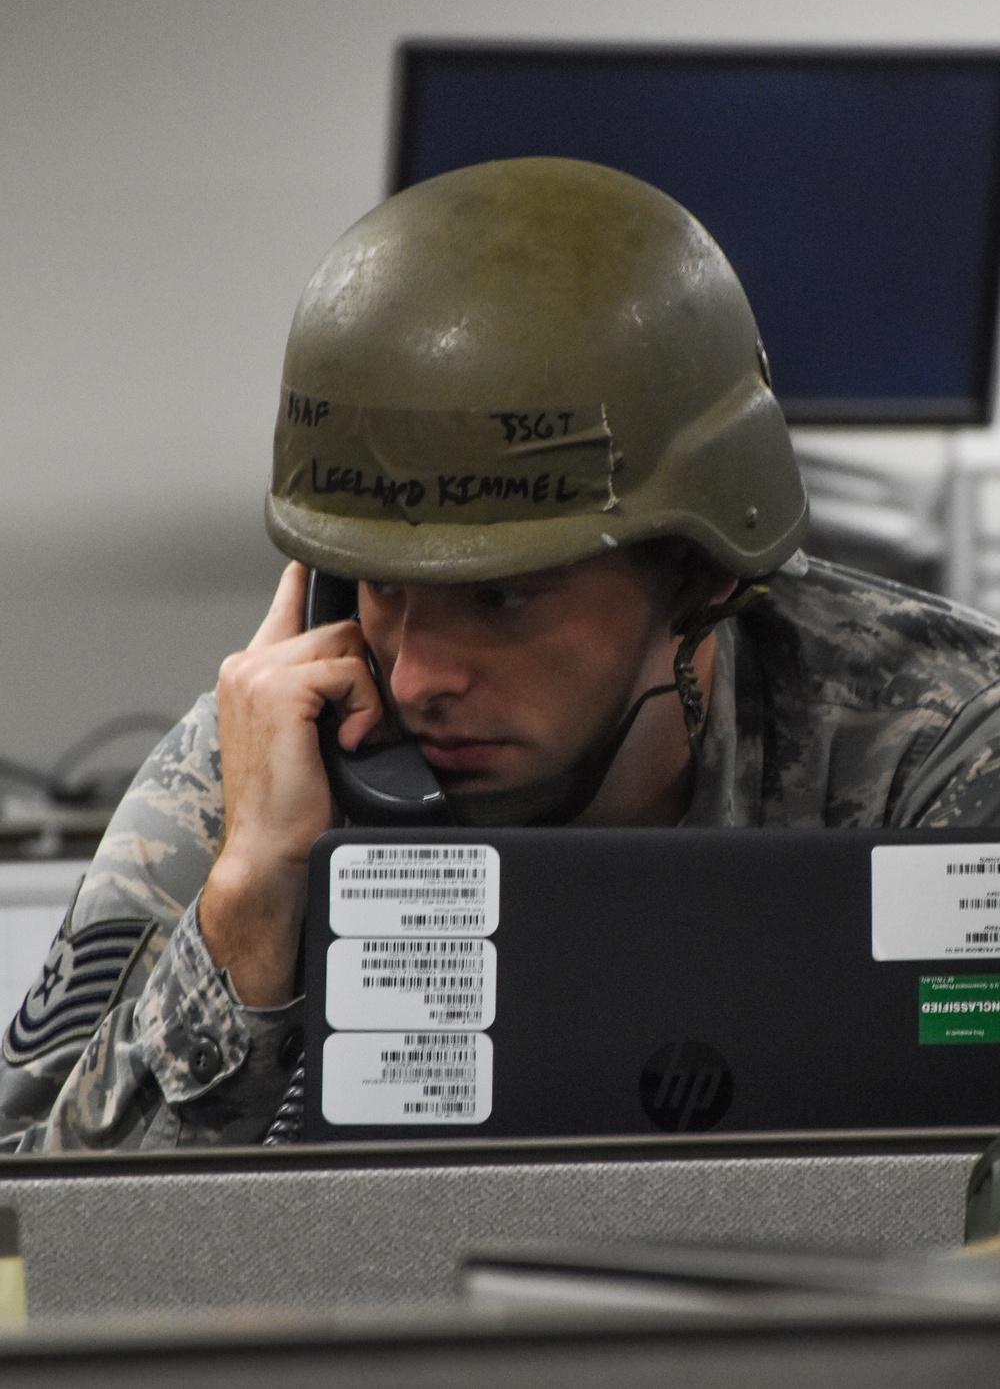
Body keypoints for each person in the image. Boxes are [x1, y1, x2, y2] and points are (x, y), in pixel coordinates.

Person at [5, 156, 1000, 1152]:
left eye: (505, 598)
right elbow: (35, 1248)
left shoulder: (934, 742)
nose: (420, 676)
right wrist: (250, 904)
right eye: (384, 587)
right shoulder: (273, 763)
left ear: (700, 575)